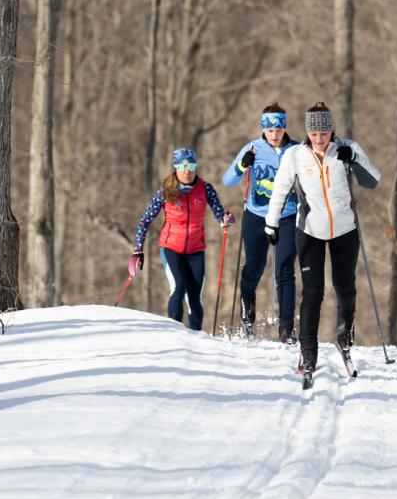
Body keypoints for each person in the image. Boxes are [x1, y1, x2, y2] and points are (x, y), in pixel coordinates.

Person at [262, 102, 380, 374]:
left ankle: (345, 338)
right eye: (314, 133)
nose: (319, 138)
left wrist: (355, 160)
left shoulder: (346, 149)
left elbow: (373, 180)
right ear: (307, 133)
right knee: (312, 293)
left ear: (331, 130)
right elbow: (280, 189)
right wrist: (271, 222)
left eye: (324, 132)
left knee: (345, 288)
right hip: (310, 232)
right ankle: (308, 352)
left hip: (345, 230)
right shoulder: (295, 155)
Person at [129, 147, 235, 331]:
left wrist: (224, 219)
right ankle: (174, 334)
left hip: (196, 250)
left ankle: (196, 338)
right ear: (176, 167)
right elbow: (145, 220)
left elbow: (219, 212)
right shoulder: (166, 190)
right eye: (183, 165)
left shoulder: (205, 188)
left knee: (194, 297)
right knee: (178, 288)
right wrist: (137, 250)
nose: (187, 170)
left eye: (191, 165)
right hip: (171, 248)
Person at [222, 104, 300, 342]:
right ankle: (248, 315)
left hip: (286, 215)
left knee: (285, 270)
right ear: (263, 128)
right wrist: (242, 164)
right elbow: (228, 180)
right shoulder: (253, 148)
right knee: (254, 267)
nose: (274, 133)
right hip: (256, 214)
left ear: (284, 126)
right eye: (269, 128)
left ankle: (286, 328)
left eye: (278, 128)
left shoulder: (297, 150)